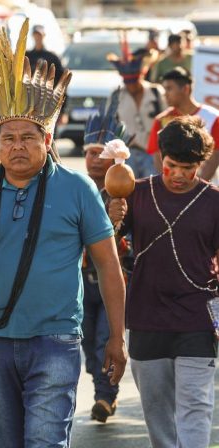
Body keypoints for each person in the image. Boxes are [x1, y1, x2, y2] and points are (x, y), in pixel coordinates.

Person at [0, 20, 127, 446]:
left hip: (56, 340)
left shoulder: (76, 188)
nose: (17, 146)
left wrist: (116, 338)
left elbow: (109, 265)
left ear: (46, 139)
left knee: (45, 442)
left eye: (27, 137)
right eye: (8, 138)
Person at [108, 116, 218, 448]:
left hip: (198, 319)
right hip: (146, 317)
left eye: (189, 167)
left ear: (201, 164)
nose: (181, 175)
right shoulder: (134, 193)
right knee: (158, 414)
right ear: (161, 159)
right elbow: (107, 251)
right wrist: (112, 220)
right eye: (173, 166)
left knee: (195, 407)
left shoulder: (214, 201)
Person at [80, 98, 131, 423]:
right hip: (81, 280)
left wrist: (119, 217)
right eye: (88, 152)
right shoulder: (75, 188)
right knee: (85, 342)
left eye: (101, 153)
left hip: (112, 280)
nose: (94, 159)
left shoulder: (126, 190)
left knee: (105, 339)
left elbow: (128, 239)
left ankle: (105, 396)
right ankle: (101, 385)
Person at [146, 67, 219, 179]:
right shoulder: (161, 120)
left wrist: (197, 188)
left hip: (206, 190)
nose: (165, 94)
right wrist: (170, 185)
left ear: (185, 89)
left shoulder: (213, 117)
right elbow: (157, 157)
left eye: (169, 88)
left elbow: (215, 157)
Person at [108, 44, 165, 178]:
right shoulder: (116, 95)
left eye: (135, 81)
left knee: (153, 190)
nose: (132, 86)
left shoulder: (156, 92)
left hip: (154, 152)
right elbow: (110, 126)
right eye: (128, 82)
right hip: (128, 153)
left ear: (142, 76)